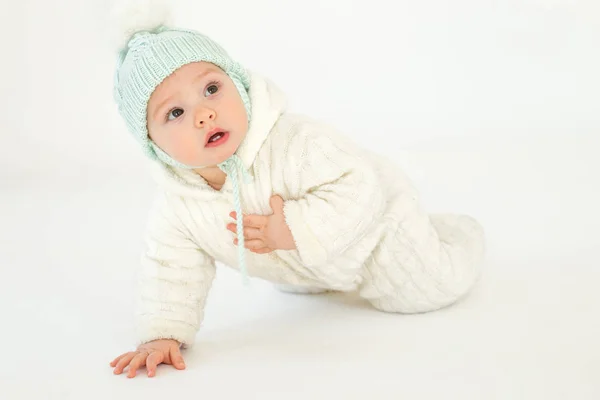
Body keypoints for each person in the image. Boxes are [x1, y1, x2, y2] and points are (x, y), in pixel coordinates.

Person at [108, 2, 485, 379]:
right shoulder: (178, 205)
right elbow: (170, 267)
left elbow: (359, 187)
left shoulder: (295, 143)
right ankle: (323, 276)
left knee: (426, 289)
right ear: (152, 144)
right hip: (312, 267)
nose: (204, 114)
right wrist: (162, 334)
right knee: (303, 291)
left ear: (239, 84)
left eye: (211, 88)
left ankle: (458, 235)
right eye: (175, 113)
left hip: (378, 232)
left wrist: (294, 226)